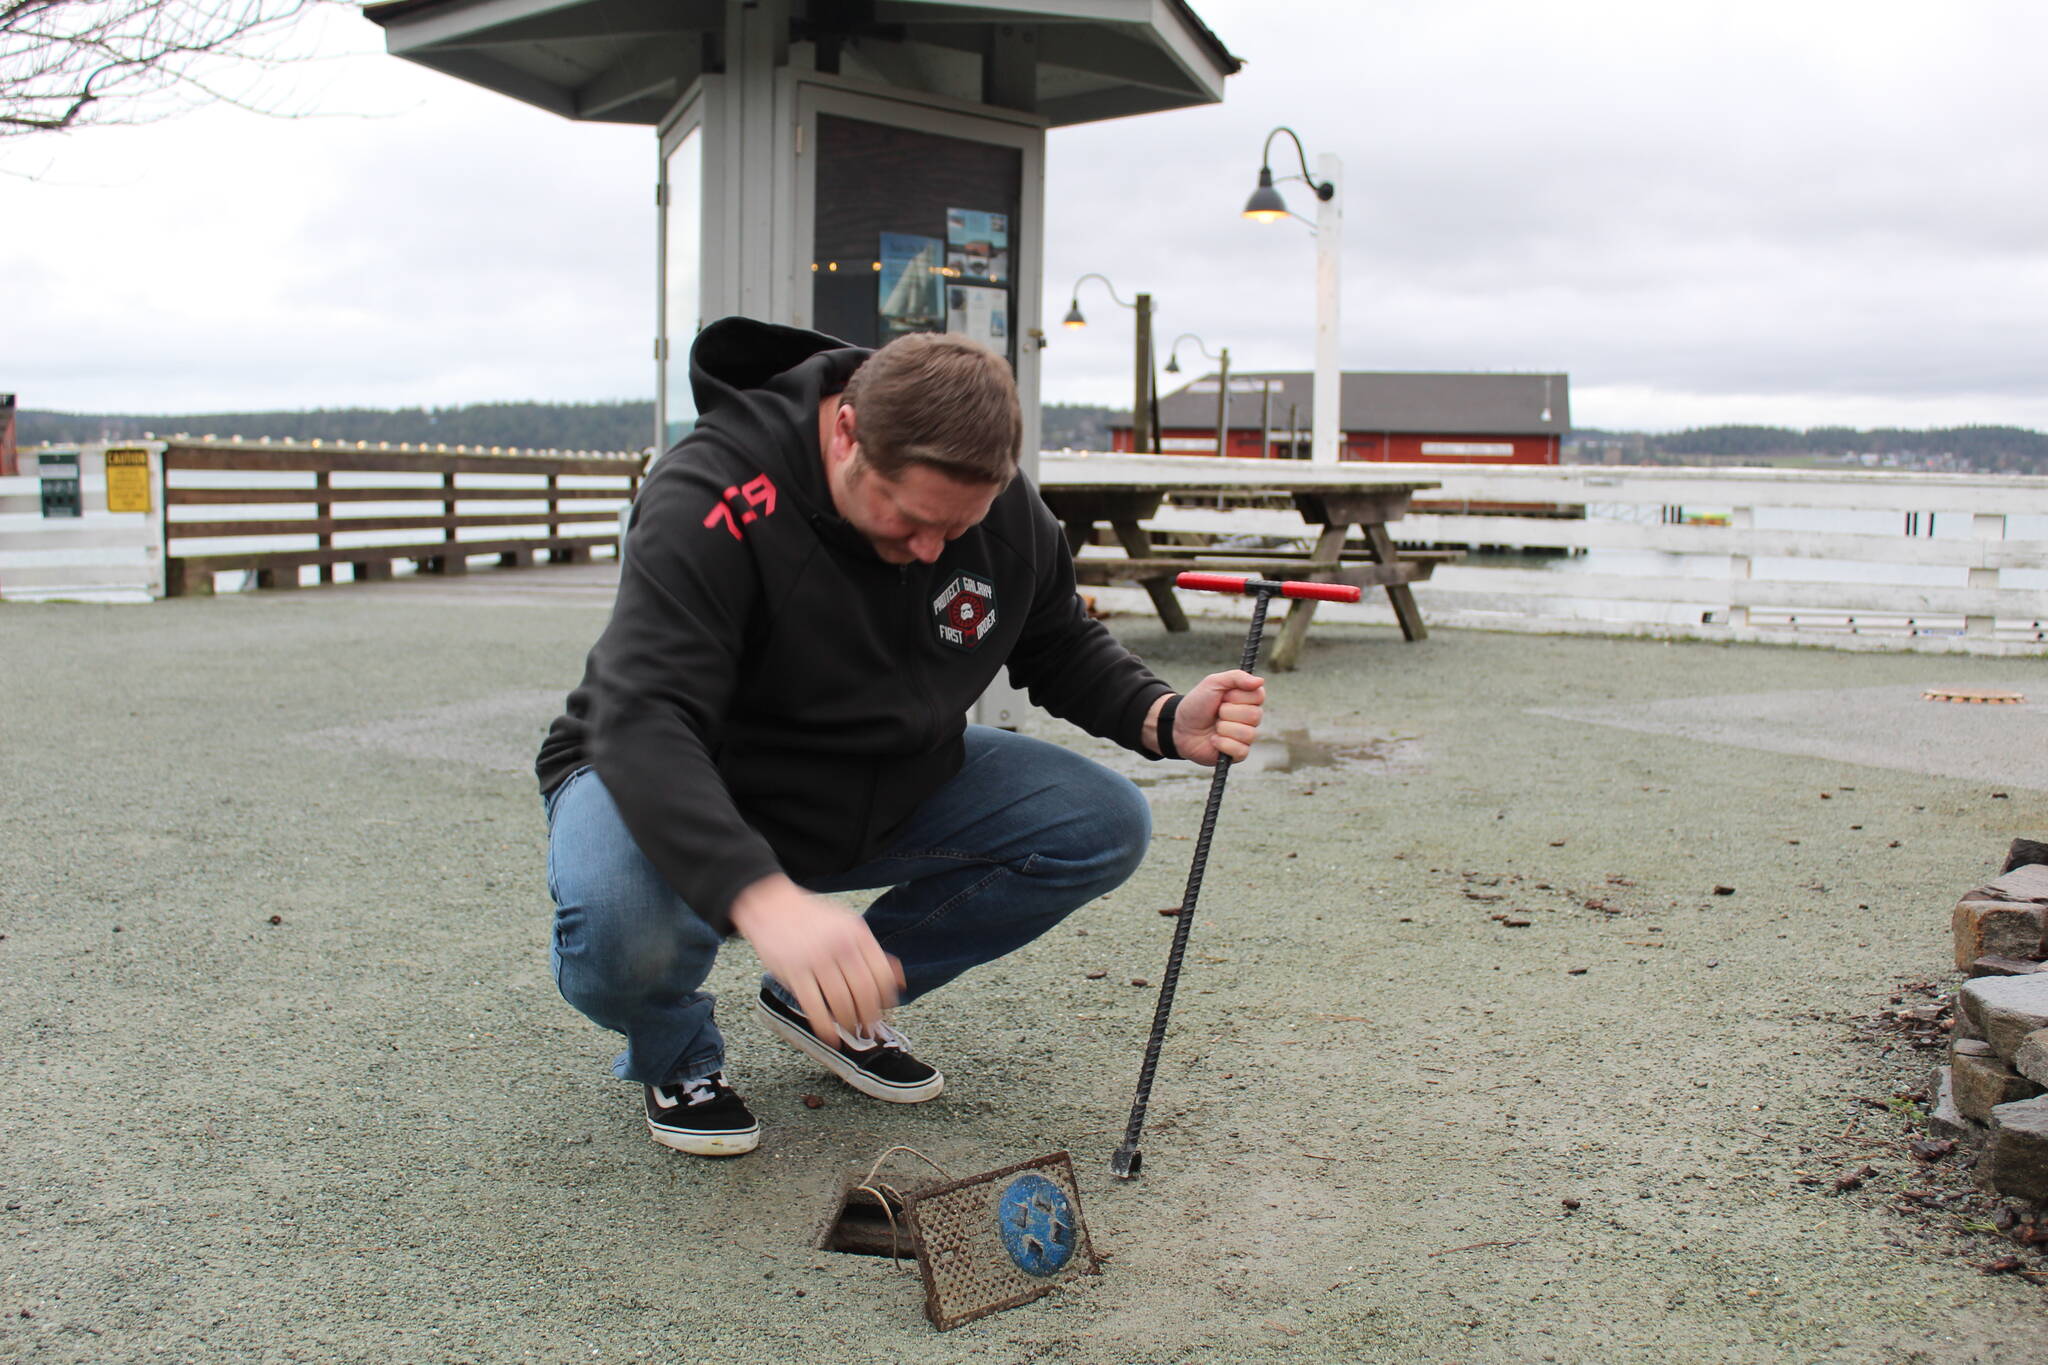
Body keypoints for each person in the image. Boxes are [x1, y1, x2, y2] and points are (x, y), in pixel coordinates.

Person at [536, 317, 1264, 1157]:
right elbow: (647, 715)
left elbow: (1055, 636)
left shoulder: (994, 506)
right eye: (912, 517)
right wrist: (762, 895)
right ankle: (677, 1051)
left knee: (1102, 823)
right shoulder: (708, 492)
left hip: (871, 773)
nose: (930, 550)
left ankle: (828, 1002)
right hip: (675, 771)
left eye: (957, 529)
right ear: (846, 431)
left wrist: (1165, 715)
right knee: (624, 926)